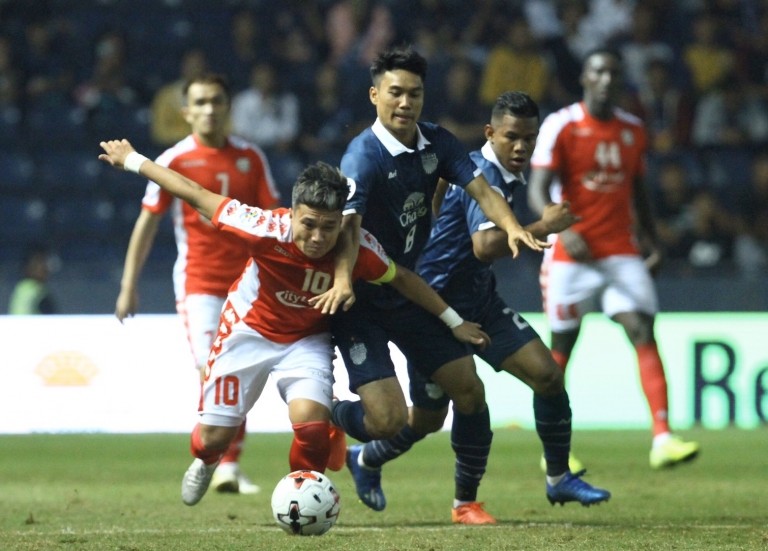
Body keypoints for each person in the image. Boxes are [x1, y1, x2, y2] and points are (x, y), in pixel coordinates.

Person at [98, 139, 491, 507]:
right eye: (309, 225)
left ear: (343, 222)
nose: (318, 237)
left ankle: (301, 502)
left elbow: (404, 278)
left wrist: (453, 321)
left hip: (306, 340)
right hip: (247, 331)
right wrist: (133, 160)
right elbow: (196, 193)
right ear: (293, 212)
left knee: (313, 428)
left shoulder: (360, 250)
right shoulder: (264, 227)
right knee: (210, 439)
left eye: (329, 226)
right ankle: (207, 460)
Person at [344, 91, 612, 517]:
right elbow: (485, 244)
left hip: (478, 299)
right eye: (512, 137)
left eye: (529, 137)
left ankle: (559, 479)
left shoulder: (493, 169)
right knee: (440, 413)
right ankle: (395, 471)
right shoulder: (483, 172)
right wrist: (544, 226)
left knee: (546, 375)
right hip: (432, 309)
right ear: (491, 133)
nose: (521, 146)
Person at [324, 46, 548, 524]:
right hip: (361, 300)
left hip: (408, 289)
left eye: (415, 93)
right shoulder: (361, 157)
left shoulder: (436, 144)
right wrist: (343, 279)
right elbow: (348, 227)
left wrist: (510, 226)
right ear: (375, 95)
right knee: (388, 421)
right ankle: (328, 412)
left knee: (467, 391)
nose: (406, 103)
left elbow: (483, 191)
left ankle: (465, 502)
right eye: (396, 93)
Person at [527, 47, 700, 469]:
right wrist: (564, 229)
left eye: (614, 73)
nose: (607, 79)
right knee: (561, 349)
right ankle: (557, 450)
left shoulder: (633, 130)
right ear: (585, 78)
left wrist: (652, 240)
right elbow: (536, 190)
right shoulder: (561, 125)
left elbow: (636, 190)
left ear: (621, 81)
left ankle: (663, 438)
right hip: (572, 254)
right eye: (599, 72)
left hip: (621, 250)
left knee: (642, 329)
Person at [115, 73, 280, 496]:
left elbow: (273, 219)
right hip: (200, 284)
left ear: (228, 106)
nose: (209, 109)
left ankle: (228, 465)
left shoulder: (251, 157)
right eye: (201, 102)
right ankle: (219, 461)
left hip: (249, 284)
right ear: (186, 111)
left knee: (238, 372)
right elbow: (147, 223)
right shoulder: (174, 160)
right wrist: (128, 284)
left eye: (217, 101)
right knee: (214, 370)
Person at [8, 244, 56, 315]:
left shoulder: (20, 288)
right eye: (39, 262)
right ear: (27, 267)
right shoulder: (37, 291)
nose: (44, 267)